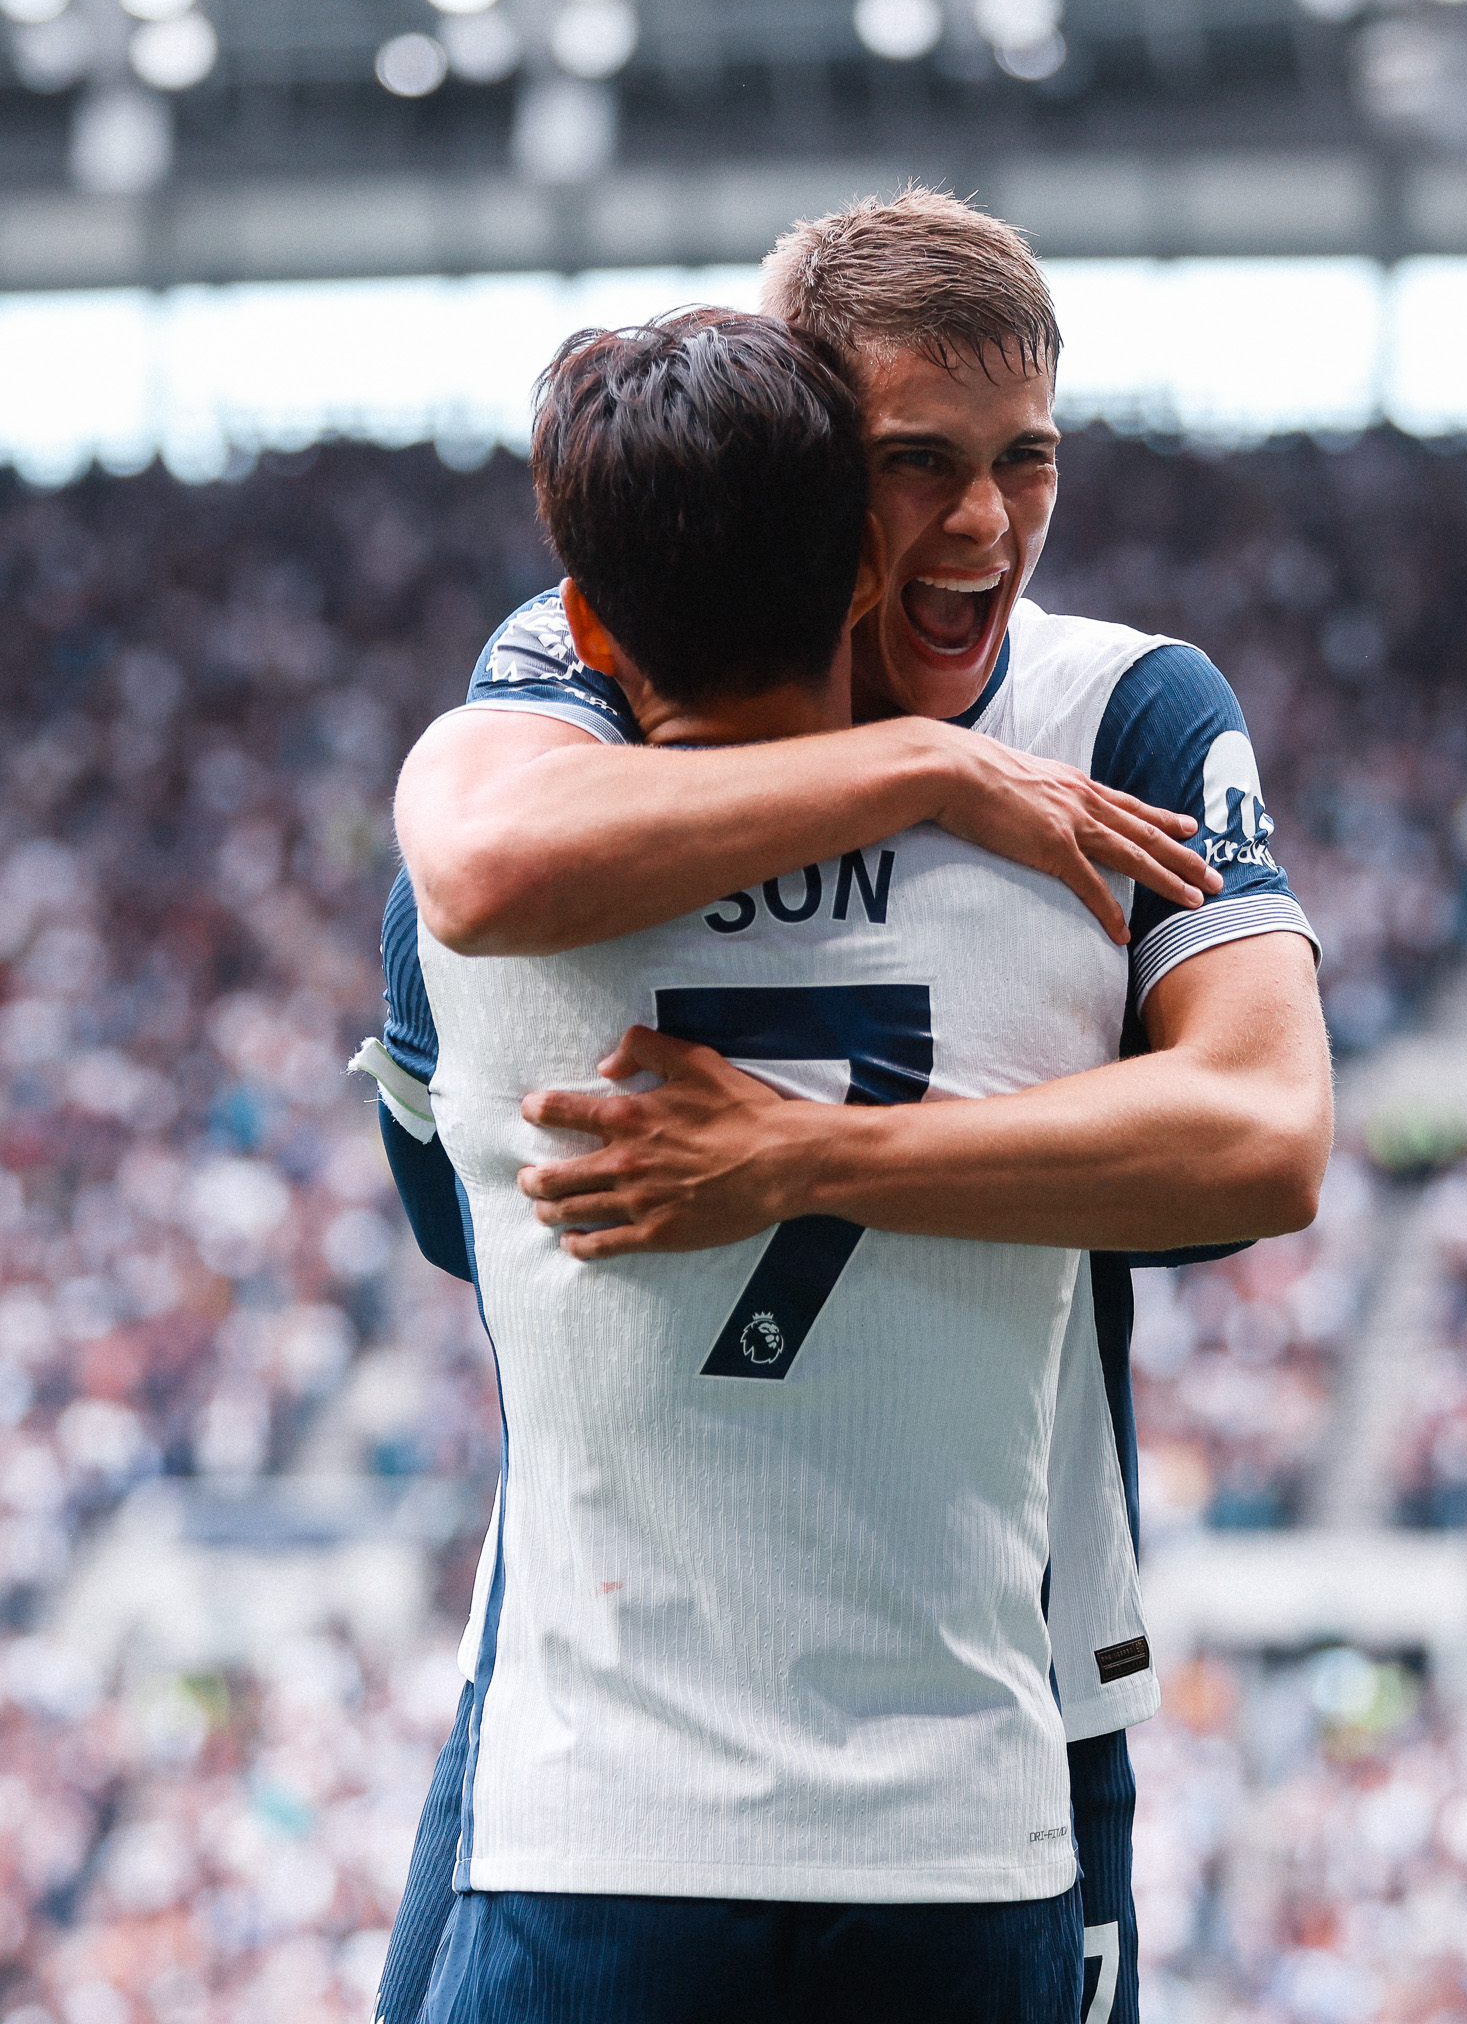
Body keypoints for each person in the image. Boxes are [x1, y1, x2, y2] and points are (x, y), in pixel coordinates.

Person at [365, 189, 1331, 2024]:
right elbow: (474, 874)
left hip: (1012, 1677)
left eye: (1024, 461)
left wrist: (807, 1155)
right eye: (915, 464)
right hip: (642, 1717)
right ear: (803, 454)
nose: (982, 524)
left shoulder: (1120, 709)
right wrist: (926, 773)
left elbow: (1262, 1142)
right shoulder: (577, 690)